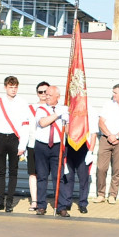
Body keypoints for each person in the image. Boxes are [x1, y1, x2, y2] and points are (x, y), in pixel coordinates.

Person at [0, 75, 30, 212]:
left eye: (15, 87)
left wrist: (22, 145)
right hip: (0, 137)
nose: (13, 90)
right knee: (1, 171)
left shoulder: (22, 103)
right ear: (5, 87)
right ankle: (0, 200)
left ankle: (9, 202)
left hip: (14, 138)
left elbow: (25, 124)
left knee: (13, 171)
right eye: (11, 87)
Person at [55, 99, 97, 217]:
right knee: (68, 176)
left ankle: (83, 203)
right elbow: (65, 129)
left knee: (83, 178)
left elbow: (94, 132)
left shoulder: (90, 110)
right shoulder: (68, 108)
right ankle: (67, 201)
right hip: (69, 145)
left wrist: (91, 151)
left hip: (84, 147)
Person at [95, 84, 119, 204]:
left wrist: (117, 136)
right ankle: (100, 194)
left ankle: (113, 194)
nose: (113, 95)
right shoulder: (108, 105)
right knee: (101, 168)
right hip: (105, 138)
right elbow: (101, 122)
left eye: (115, 93)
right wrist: (110, 135)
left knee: (116, 168)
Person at [31, 84, 66, 216]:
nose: (47, 97)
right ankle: (41, 205)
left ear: (58, 96)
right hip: (42, 145)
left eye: (50, 95)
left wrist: (66, 118)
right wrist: (57, 114)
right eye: (46, 94)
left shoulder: (64, 109)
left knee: (59, 177)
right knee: (42, 176)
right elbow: (42, 122)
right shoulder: (41, 108)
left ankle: (61, 206)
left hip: (57, 145)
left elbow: (68, 129)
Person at [26, 81, 49, 210]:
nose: (43, 94)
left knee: (45, 174)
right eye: (41, 92)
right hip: (33, 143)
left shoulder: (54, 108)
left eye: (46, 91)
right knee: (33, 173)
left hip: (49, 144)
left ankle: (44, 200)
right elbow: (27, 126)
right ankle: (35, 201)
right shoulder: (31, 108)